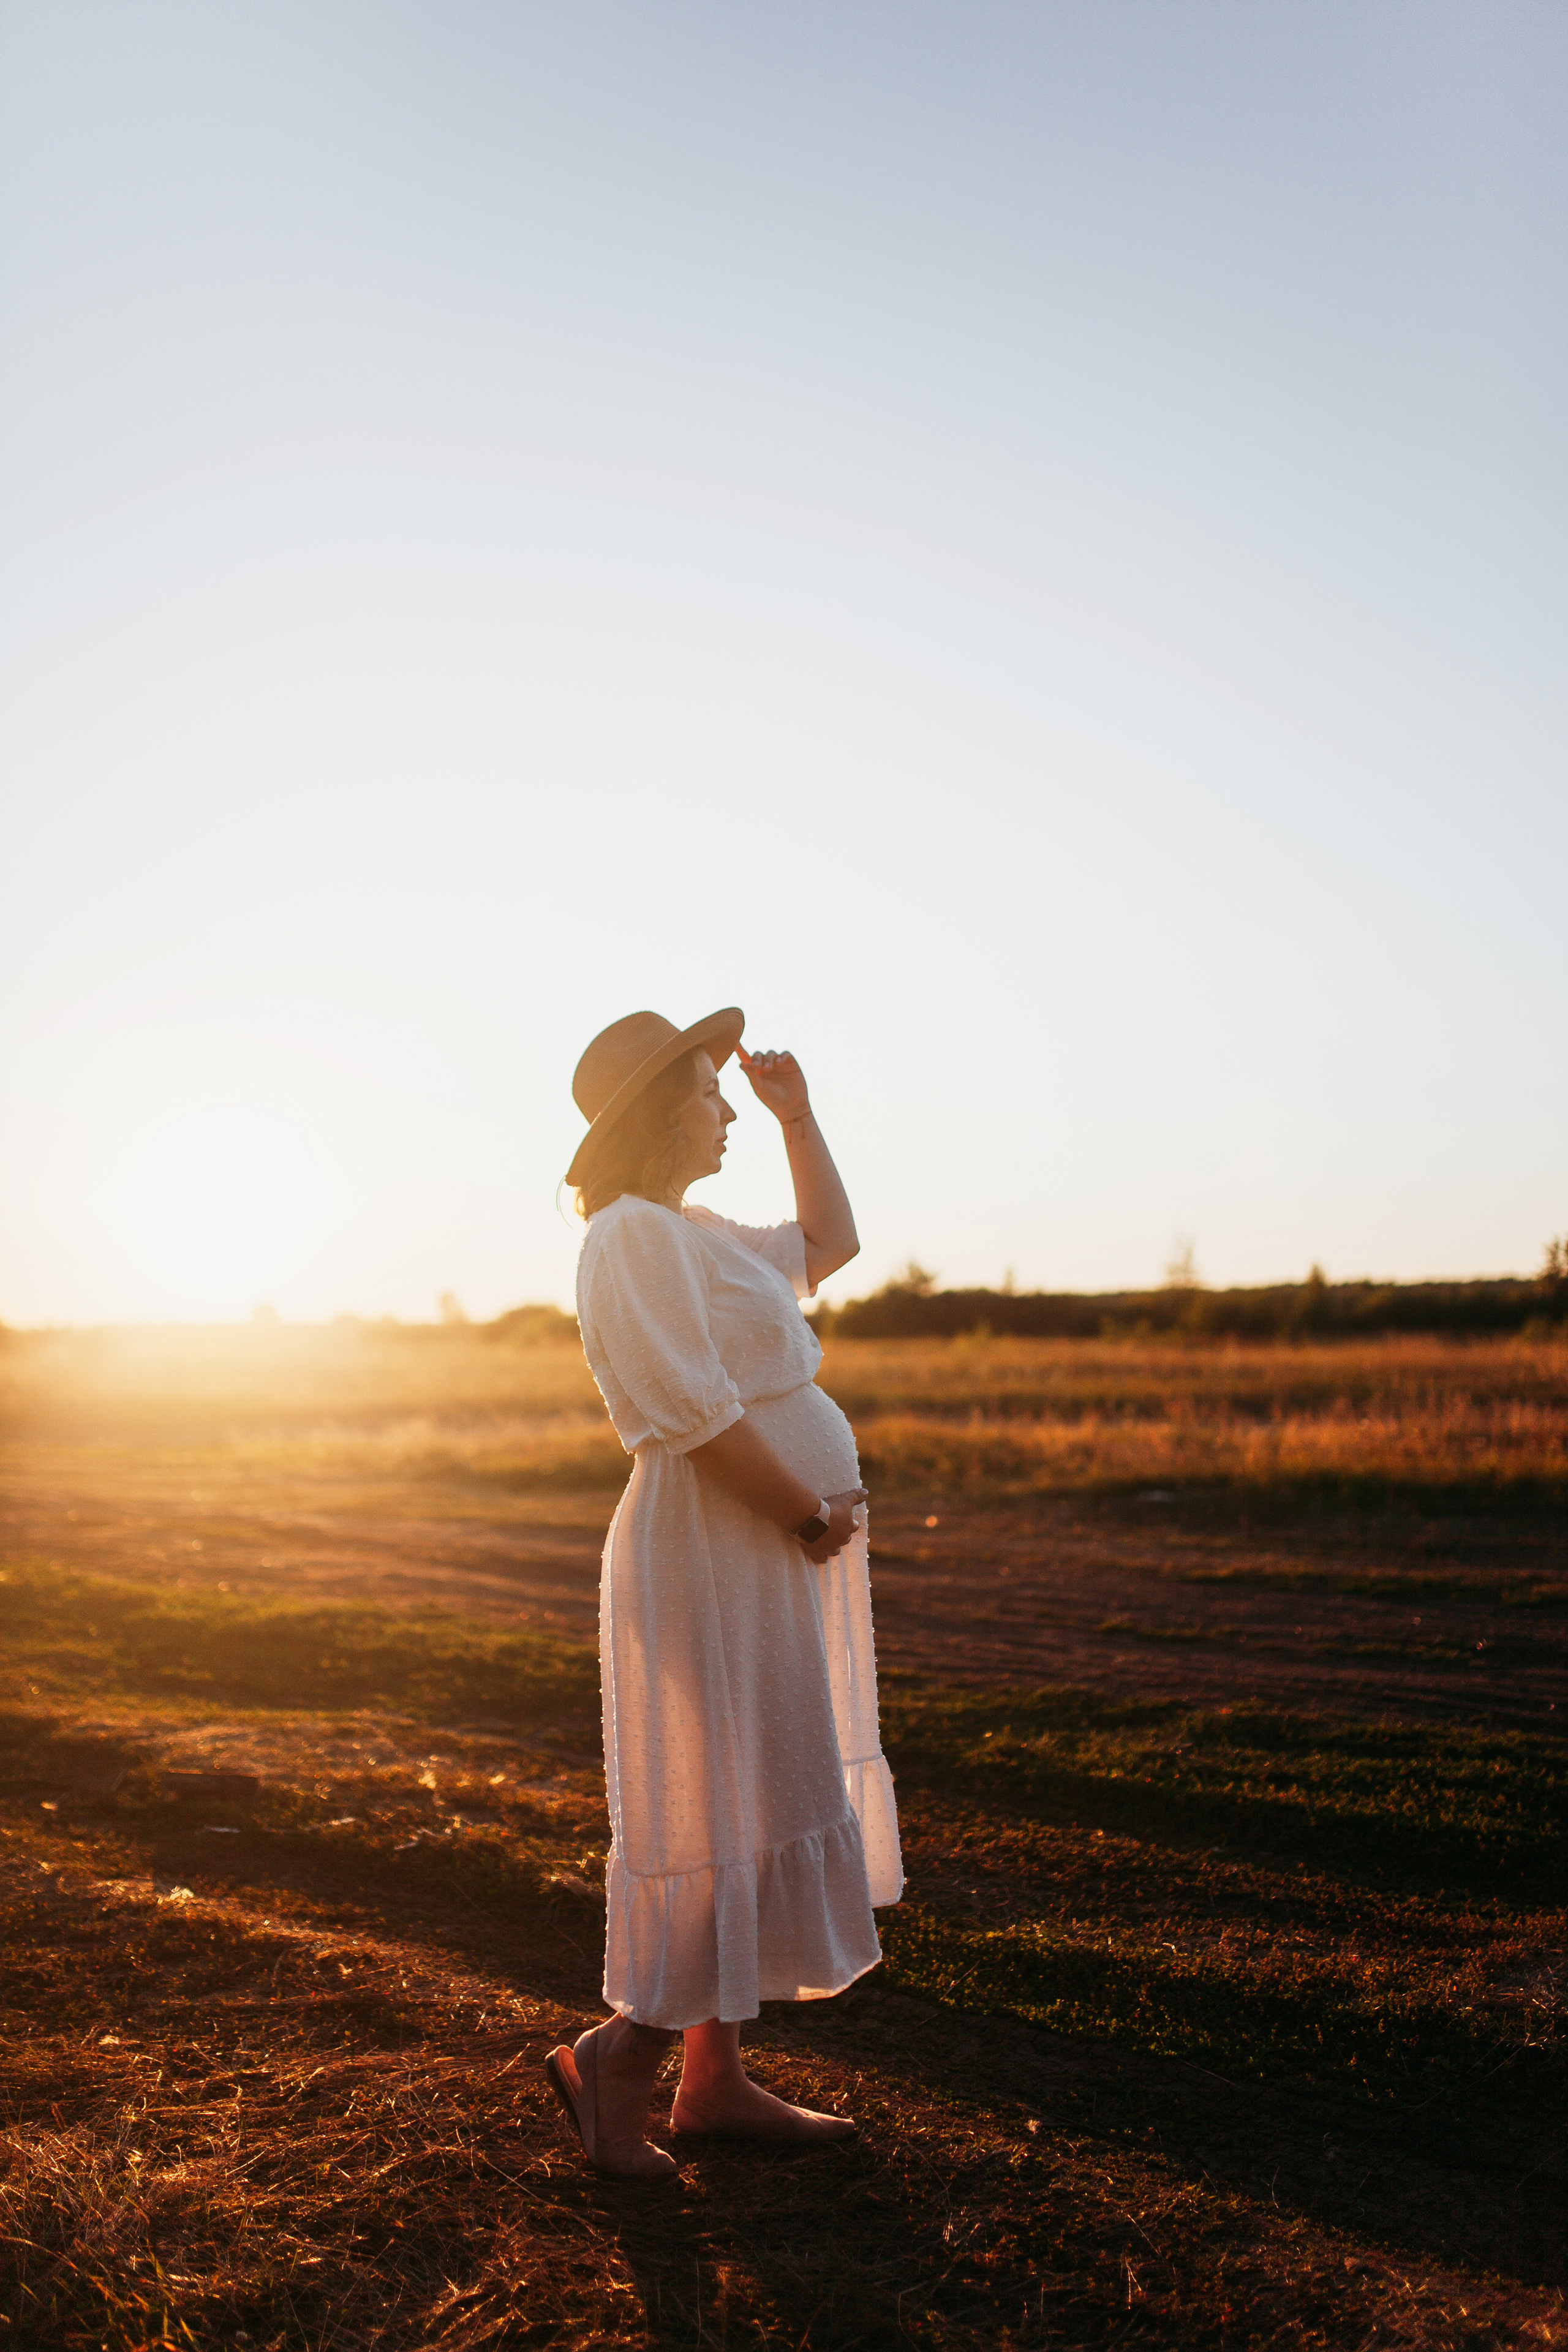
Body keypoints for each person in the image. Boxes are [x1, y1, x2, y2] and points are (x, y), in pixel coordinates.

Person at [544, 1006, 903, 2178]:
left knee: (763, 1785)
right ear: (659, 1113)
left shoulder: (691, 1228)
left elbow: (830, 1241)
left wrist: (806, 1118)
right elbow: (693, 1416)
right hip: (715, 1542)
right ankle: (620, 2059)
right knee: (719, 1799)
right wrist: (804, 1510)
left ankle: (715, 2080)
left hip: (751, 1546)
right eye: (714, 1093)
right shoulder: (632, 1238)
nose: (731, 1110)